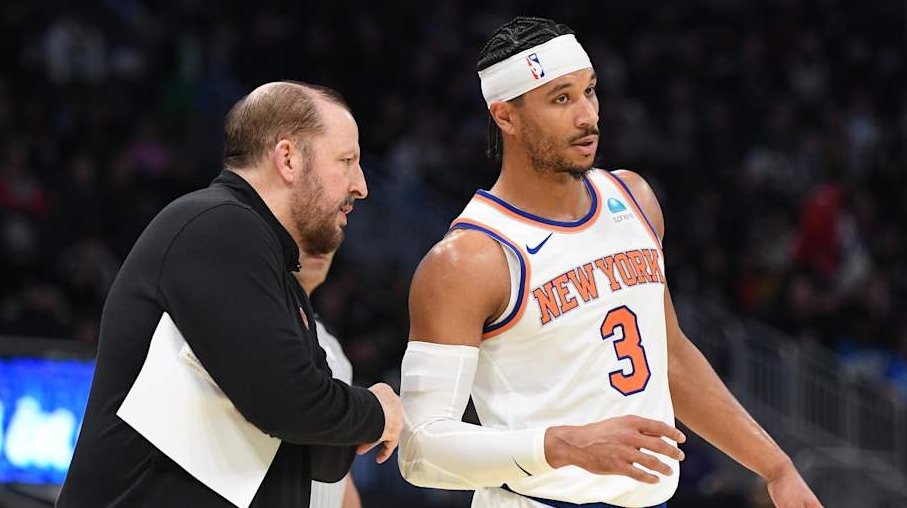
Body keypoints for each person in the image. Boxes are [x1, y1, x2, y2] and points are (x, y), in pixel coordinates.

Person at [398, 17, 823, 508]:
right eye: (561, 99)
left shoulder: (633, 198)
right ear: (506, 117)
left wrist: (776, 468)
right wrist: (560, 445)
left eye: (590, 91)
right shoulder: (469, 259)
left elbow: (671, 357)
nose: (587, 116)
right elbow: (420, 450)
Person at [58, 81, 402, 508]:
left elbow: (323, 455)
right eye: (347, 161)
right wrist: (376, 411)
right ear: (288, 159)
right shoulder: (218, 225)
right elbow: (288, 401)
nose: (361, 186)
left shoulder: (277, 274)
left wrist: (345, 418)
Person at [295, 247, 362, 508]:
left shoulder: (328, 340)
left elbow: (342, 475)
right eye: (305, 235)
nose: (320, 247)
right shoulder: (260, 326)